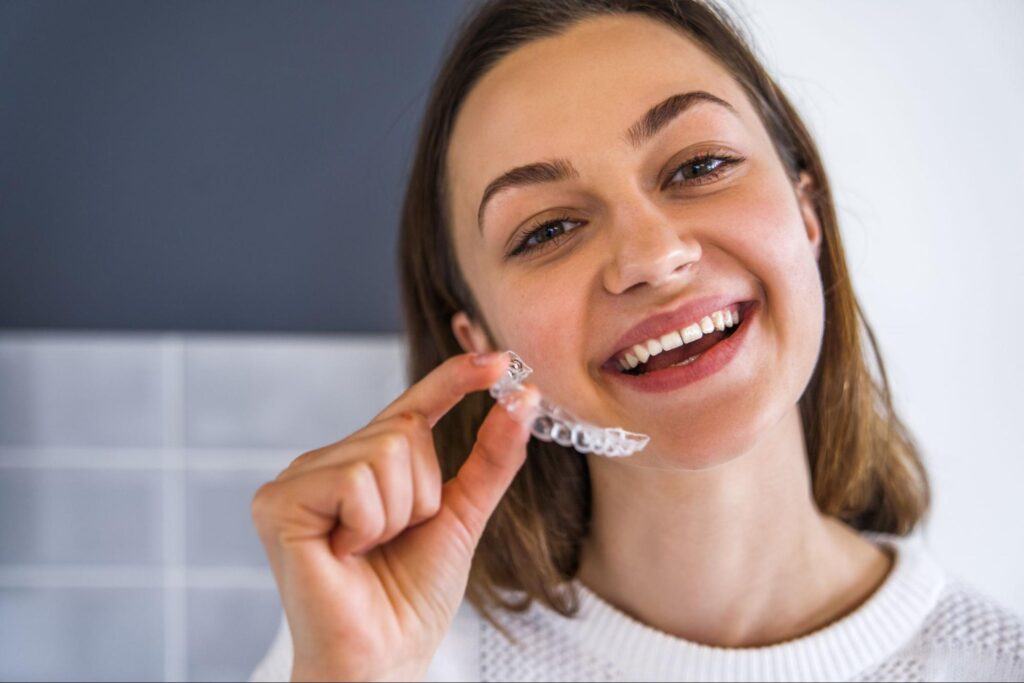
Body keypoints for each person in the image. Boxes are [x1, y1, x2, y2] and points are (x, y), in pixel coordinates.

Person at [248, 0, 1024, 680]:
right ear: (481, 343)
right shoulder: (380, 658)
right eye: (549, 228)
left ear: (805, 212)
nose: (652, 257)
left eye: (701, 165)